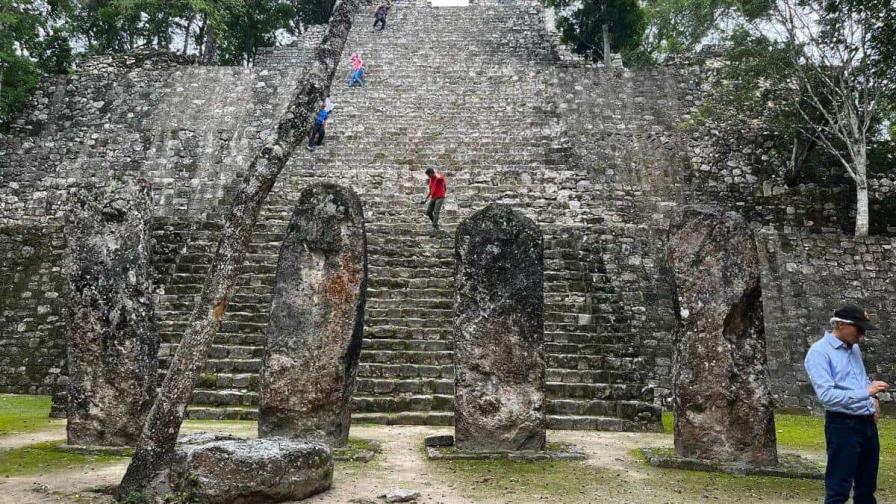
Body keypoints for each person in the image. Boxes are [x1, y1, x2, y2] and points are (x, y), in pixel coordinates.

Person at [804, 304, 890, 504]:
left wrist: (873, 398)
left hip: (867, 425)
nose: (862, 335)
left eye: (864, 330)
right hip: (843, 425)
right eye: (859, 329)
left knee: (867, 489)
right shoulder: (819, 353)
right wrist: (866, 392)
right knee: (838, 489)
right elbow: (827, 397)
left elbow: (857, 382)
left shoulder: (854, 349)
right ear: (841, 324)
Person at [419, 167, 446, 234]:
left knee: (436, 211)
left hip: (440, 197)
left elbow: (440, 178)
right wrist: (425, 199)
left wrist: (435, 173)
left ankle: (434, 226)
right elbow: (431, 191)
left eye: (428, 175)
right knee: (428, 212)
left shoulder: (439, 177)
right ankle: (436, 225)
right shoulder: (431, 180)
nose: (428, 176)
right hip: (433, 197)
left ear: (431, 173)